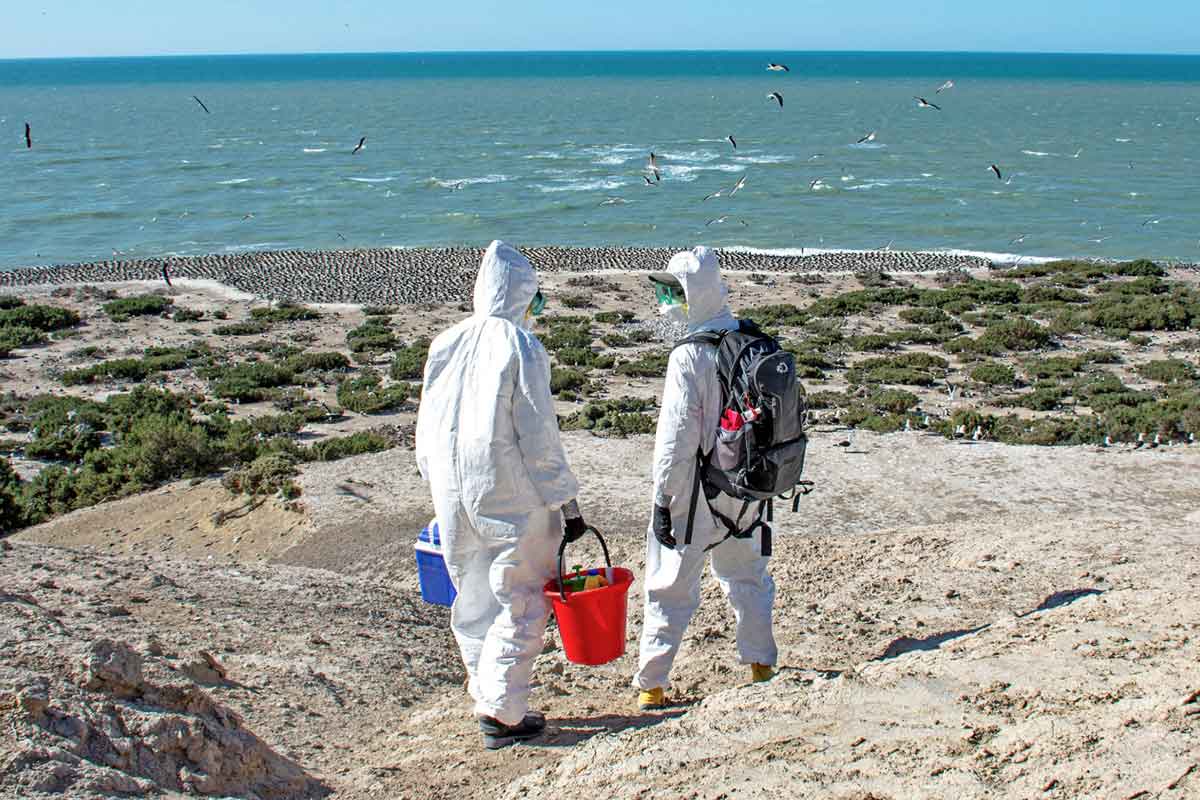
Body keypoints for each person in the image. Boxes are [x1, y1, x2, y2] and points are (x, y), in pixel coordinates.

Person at [416, 240, 589, 749]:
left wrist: (435, 480)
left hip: (450, 488)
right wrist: (566, 500)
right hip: (509, 490)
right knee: (522, 595)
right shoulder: (520, 345)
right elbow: (539, 435)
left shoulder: (445, 342)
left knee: (471, 595)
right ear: (522, 295)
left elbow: (427, 427)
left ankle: (487, 692)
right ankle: (502, 712)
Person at [633, 246, 778, 711]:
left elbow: (675, 441)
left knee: (669, 583)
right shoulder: (753, 341)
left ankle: (651, 685)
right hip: (748, 486)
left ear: (693, 296)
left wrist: (662, 501)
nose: (666, 302)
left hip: (697, 492)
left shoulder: (689, 357)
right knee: (747, 574)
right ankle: (761, 664)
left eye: (673, 293)